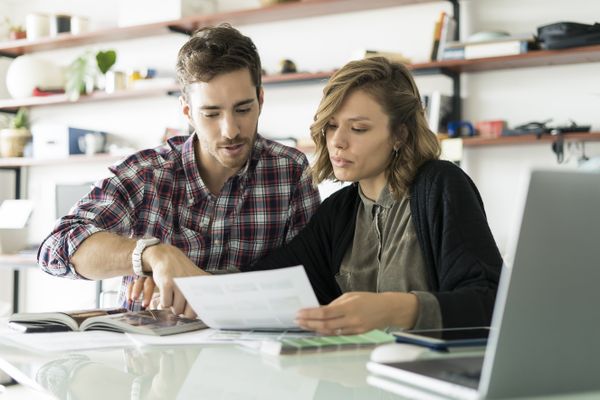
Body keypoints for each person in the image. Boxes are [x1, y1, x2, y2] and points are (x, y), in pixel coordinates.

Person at [37, 24, 321, 317]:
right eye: (211, 113)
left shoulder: (291, 173)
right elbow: (55, 249)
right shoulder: (145, 174)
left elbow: (312, 282)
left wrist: (204, 289)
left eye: (243, 109)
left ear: (260, 100)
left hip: (252, 356)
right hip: (150, 358)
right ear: (187, 111)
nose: (231, 130)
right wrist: (151, 255)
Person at [244, 57, 503, 335]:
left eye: (358, 128)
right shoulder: (338, 211)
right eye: (331, 125)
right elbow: (269, 282)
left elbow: (490, 302)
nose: (337, 141)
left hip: (433, 373)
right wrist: (195, 280)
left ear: (400, 134)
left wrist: (392, 308)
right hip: (359, 373)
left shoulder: (440, 185)